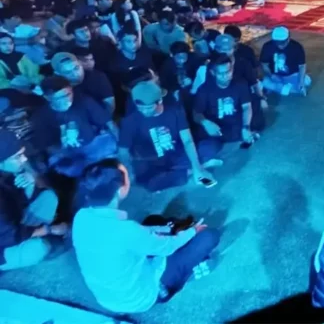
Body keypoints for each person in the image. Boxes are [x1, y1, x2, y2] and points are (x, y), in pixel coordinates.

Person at [72, 159, 220, 313]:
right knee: (208, 237)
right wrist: (193, 231)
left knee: (153, 221)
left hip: (109, 297)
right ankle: (180, 279)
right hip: (142, 297)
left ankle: (180, 265)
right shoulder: (126, 230)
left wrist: (166, 229)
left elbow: (135, 236)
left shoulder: (81, 217)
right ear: (120, 189)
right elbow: (168, 246)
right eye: (126, 175)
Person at [119, 81, 217, 191]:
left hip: (178, 155)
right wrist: (128, 169)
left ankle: (192, 170)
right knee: (149, 182)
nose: (144, 111)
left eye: (149, 107)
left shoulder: (175, 111)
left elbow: (187, 140)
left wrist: (196, 165)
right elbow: (123, 151)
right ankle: (193, 170)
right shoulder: (130, 120)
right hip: (155, 162)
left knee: (210, 146)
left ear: (159, 101)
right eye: (140, 107)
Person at [0, 129, 69, 271]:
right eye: (17, 157)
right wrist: (49, 229)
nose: (24, 159)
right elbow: (10, 235)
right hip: (4, 242)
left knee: (49, 198)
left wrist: (30, 185)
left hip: (10, 226)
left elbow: (18, 204)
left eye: (22, 154)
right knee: (39, 248)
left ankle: (34, 236)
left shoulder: (6, 173)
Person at [31, 76, 118, 177]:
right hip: (69, 154)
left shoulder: (83, 100)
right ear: (47, 97)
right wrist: (64, 147)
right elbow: (48, 146)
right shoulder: (40, 117)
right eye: (59, 98)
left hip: (95, 144)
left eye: (68, 94)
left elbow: (108, 123)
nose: (66, 100)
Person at [193, 53, 255, 161]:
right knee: (208, 145)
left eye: (228, 72)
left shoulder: (240, 83)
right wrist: (206, 123)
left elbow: (246, 107)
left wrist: (246, 127)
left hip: (235, 123)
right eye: (221, 73)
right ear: (213, 73)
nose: (225, 76)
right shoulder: (204, 89)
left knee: (253, 124)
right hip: (215, 125)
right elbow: (196, 113)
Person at [260, 27, 310, 96]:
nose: (280, 45)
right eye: (277, 42)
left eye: (282, 42)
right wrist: (271, 76)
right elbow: (264, 64)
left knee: (306, 81)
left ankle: (279, 88)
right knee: (265, 82)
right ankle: (288, 89)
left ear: (288, 38)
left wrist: (301, 83)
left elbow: (302, 66)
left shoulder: (297, 47)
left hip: (292, 75)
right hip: (275, 76)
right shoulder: (267, 46)